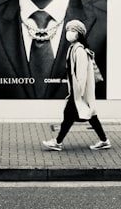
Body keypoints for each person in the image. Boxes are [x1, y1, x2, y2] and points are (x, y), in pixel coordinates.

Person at [42, 20, 110, 151]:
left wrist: (78, 92)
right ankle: (104, 140)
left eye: (73, 30)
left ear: (79, 34)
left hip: (79, 91)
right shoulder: (72, 48)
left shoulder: (79, 50)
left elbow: (81, 75)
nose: (69, 33)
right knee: (91, 115)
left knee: (69, 116)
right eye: (68, 30)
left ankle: (57, 142)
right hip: (76, 91)